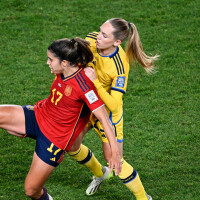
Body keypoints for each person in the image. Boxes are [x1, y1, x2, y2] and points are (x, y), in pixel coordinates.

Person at [0, 37, 122, 200]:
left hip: (54, 139)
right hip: (39, 115)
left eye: (51, 59)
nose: (47, 63)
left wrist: (115, 152)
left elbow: (104, 119)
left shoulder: (84, 85)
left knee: (31, 190)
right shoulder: (64, 68)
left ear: (64, 62)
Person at [67, 18, 159, 200]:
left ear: (117, 42)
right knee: (70, 145)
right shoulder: (91, 40)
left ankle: (143, 198)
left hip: (107, 115)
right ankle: (100, 173)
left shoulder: (120, 65)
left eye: (104, 35)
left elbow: (114, 104)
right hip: (87, 108)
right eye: (100, 31)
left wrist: (94, 82)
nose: (98, 37)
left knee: (116, 162)